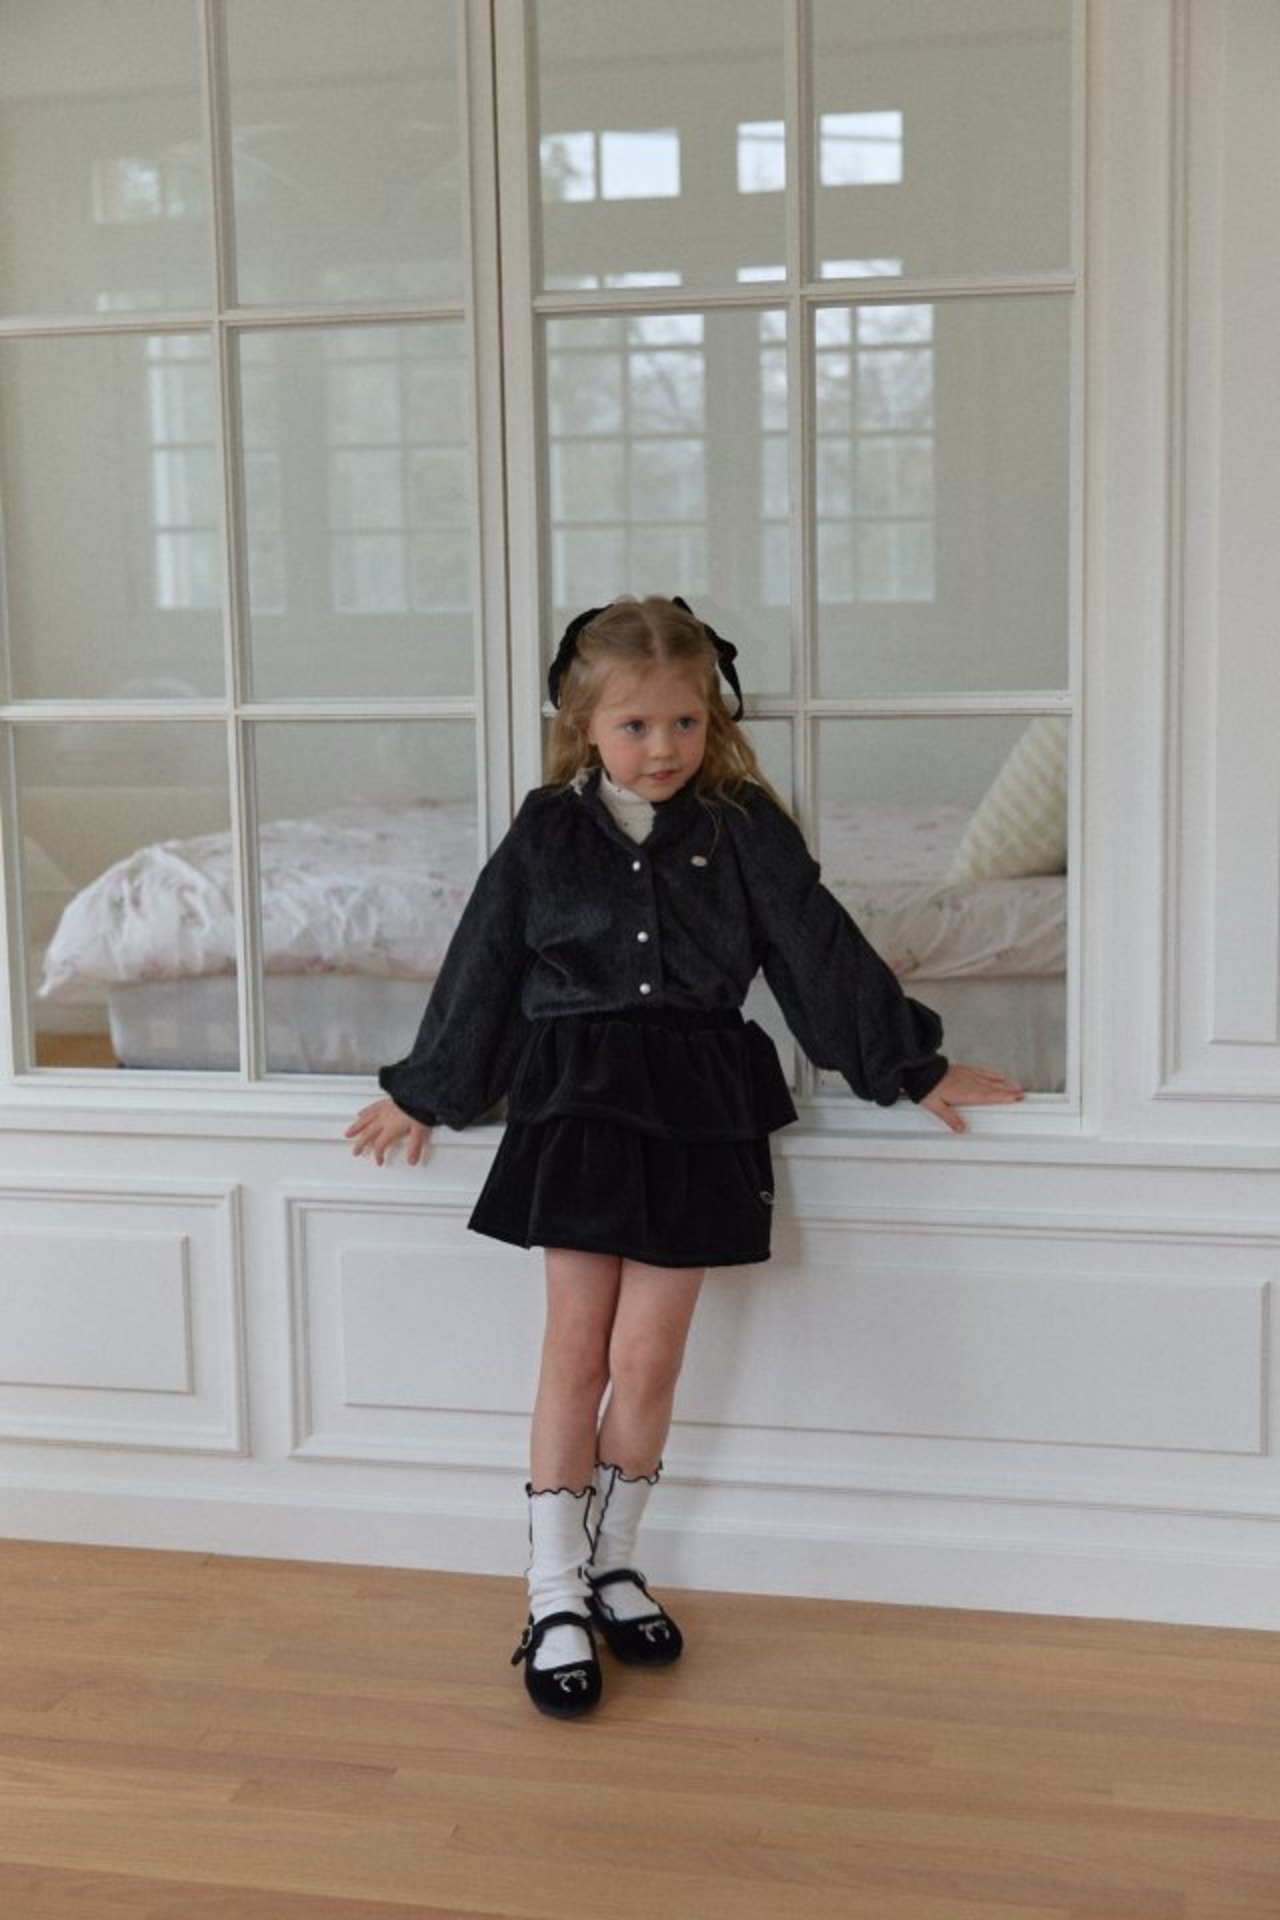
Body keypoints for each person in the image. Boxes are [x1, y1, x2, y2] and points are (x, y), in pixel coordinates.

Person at [345, 594, 1023, 1719]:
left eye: (685, 723)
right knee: (575, 1354)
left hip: (701, 1107)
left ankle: (614, 1562)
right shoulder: (546, 831)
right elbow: (485, 963)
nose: (662, 747)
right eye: (634, 726)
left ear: (713, 719)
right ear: (583, 726)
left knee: (649, 1359)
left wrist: (910, 1066)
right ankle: (551, 1589)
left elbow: (815, 949)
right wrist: (428, 1088)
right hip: (578, 1107)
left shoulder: (744, 825)